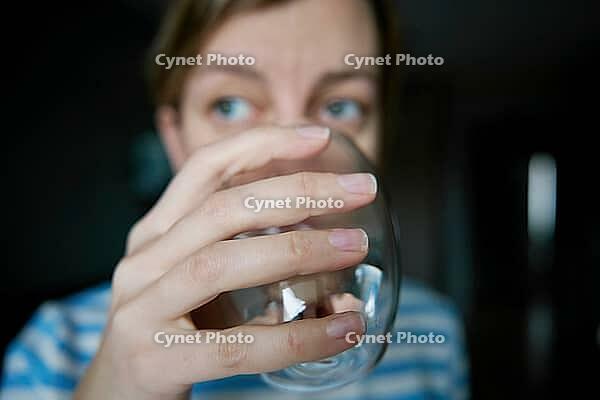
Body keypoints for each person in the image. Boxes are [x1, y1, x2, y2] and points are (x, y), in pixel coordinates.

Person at [0, 0, 469, 399]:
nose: (290, 162)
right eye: (230, 106)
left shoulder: (434, 333)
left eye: (340, 107)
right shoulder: (56, 348)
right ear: (176, 140)